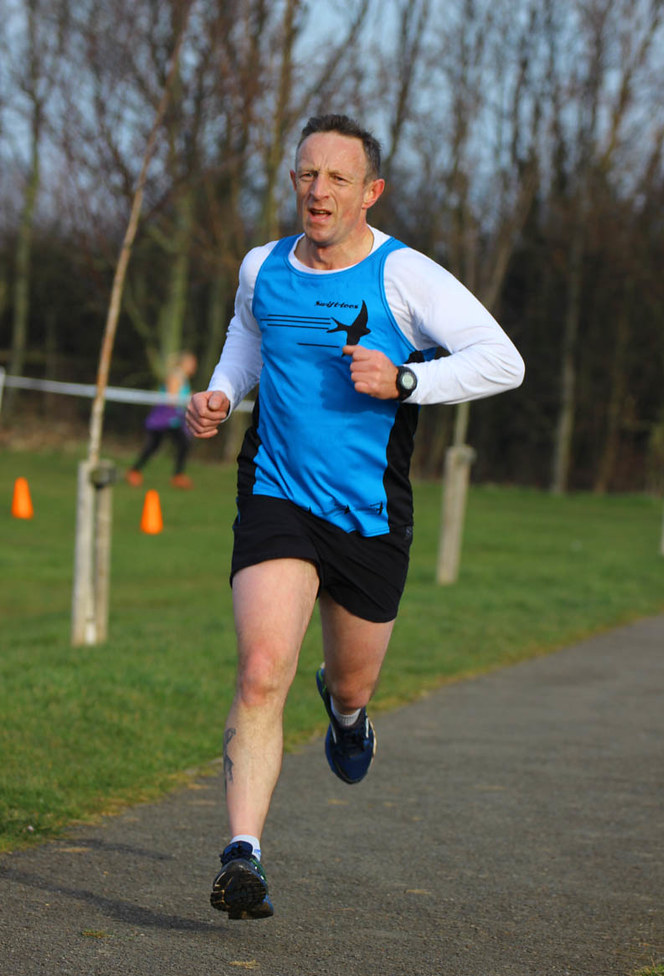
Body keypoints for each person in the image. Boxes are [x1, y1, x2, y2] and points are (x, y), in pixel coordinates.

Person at [186, 114, 525, 920]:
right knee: (261, 669)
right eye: (307, 174)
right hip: (276, 492)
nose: (318, 190)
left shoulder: (406, 276)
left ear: (370, 192)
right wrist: (223, 393)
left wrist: (407, 381)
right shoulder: (261, 265)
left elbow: (501, 361)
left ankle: (345, 714)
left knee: (351, 677)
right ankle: (244, 857)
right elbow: (248, 335)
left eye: (338, 178)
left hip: (369, 511)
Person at [126, 351, 197, 490]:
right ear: (184, 363)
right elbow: (172, 398)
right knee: (155, 446)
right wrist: (189, 399)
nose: (194, 366)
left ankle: (177, 475)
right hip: (163, 419)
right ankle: (135, 472)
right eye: (192, 363)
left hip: (173, 419)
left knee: (180, 444)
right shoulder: (176, 376)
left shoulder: (182, 377)